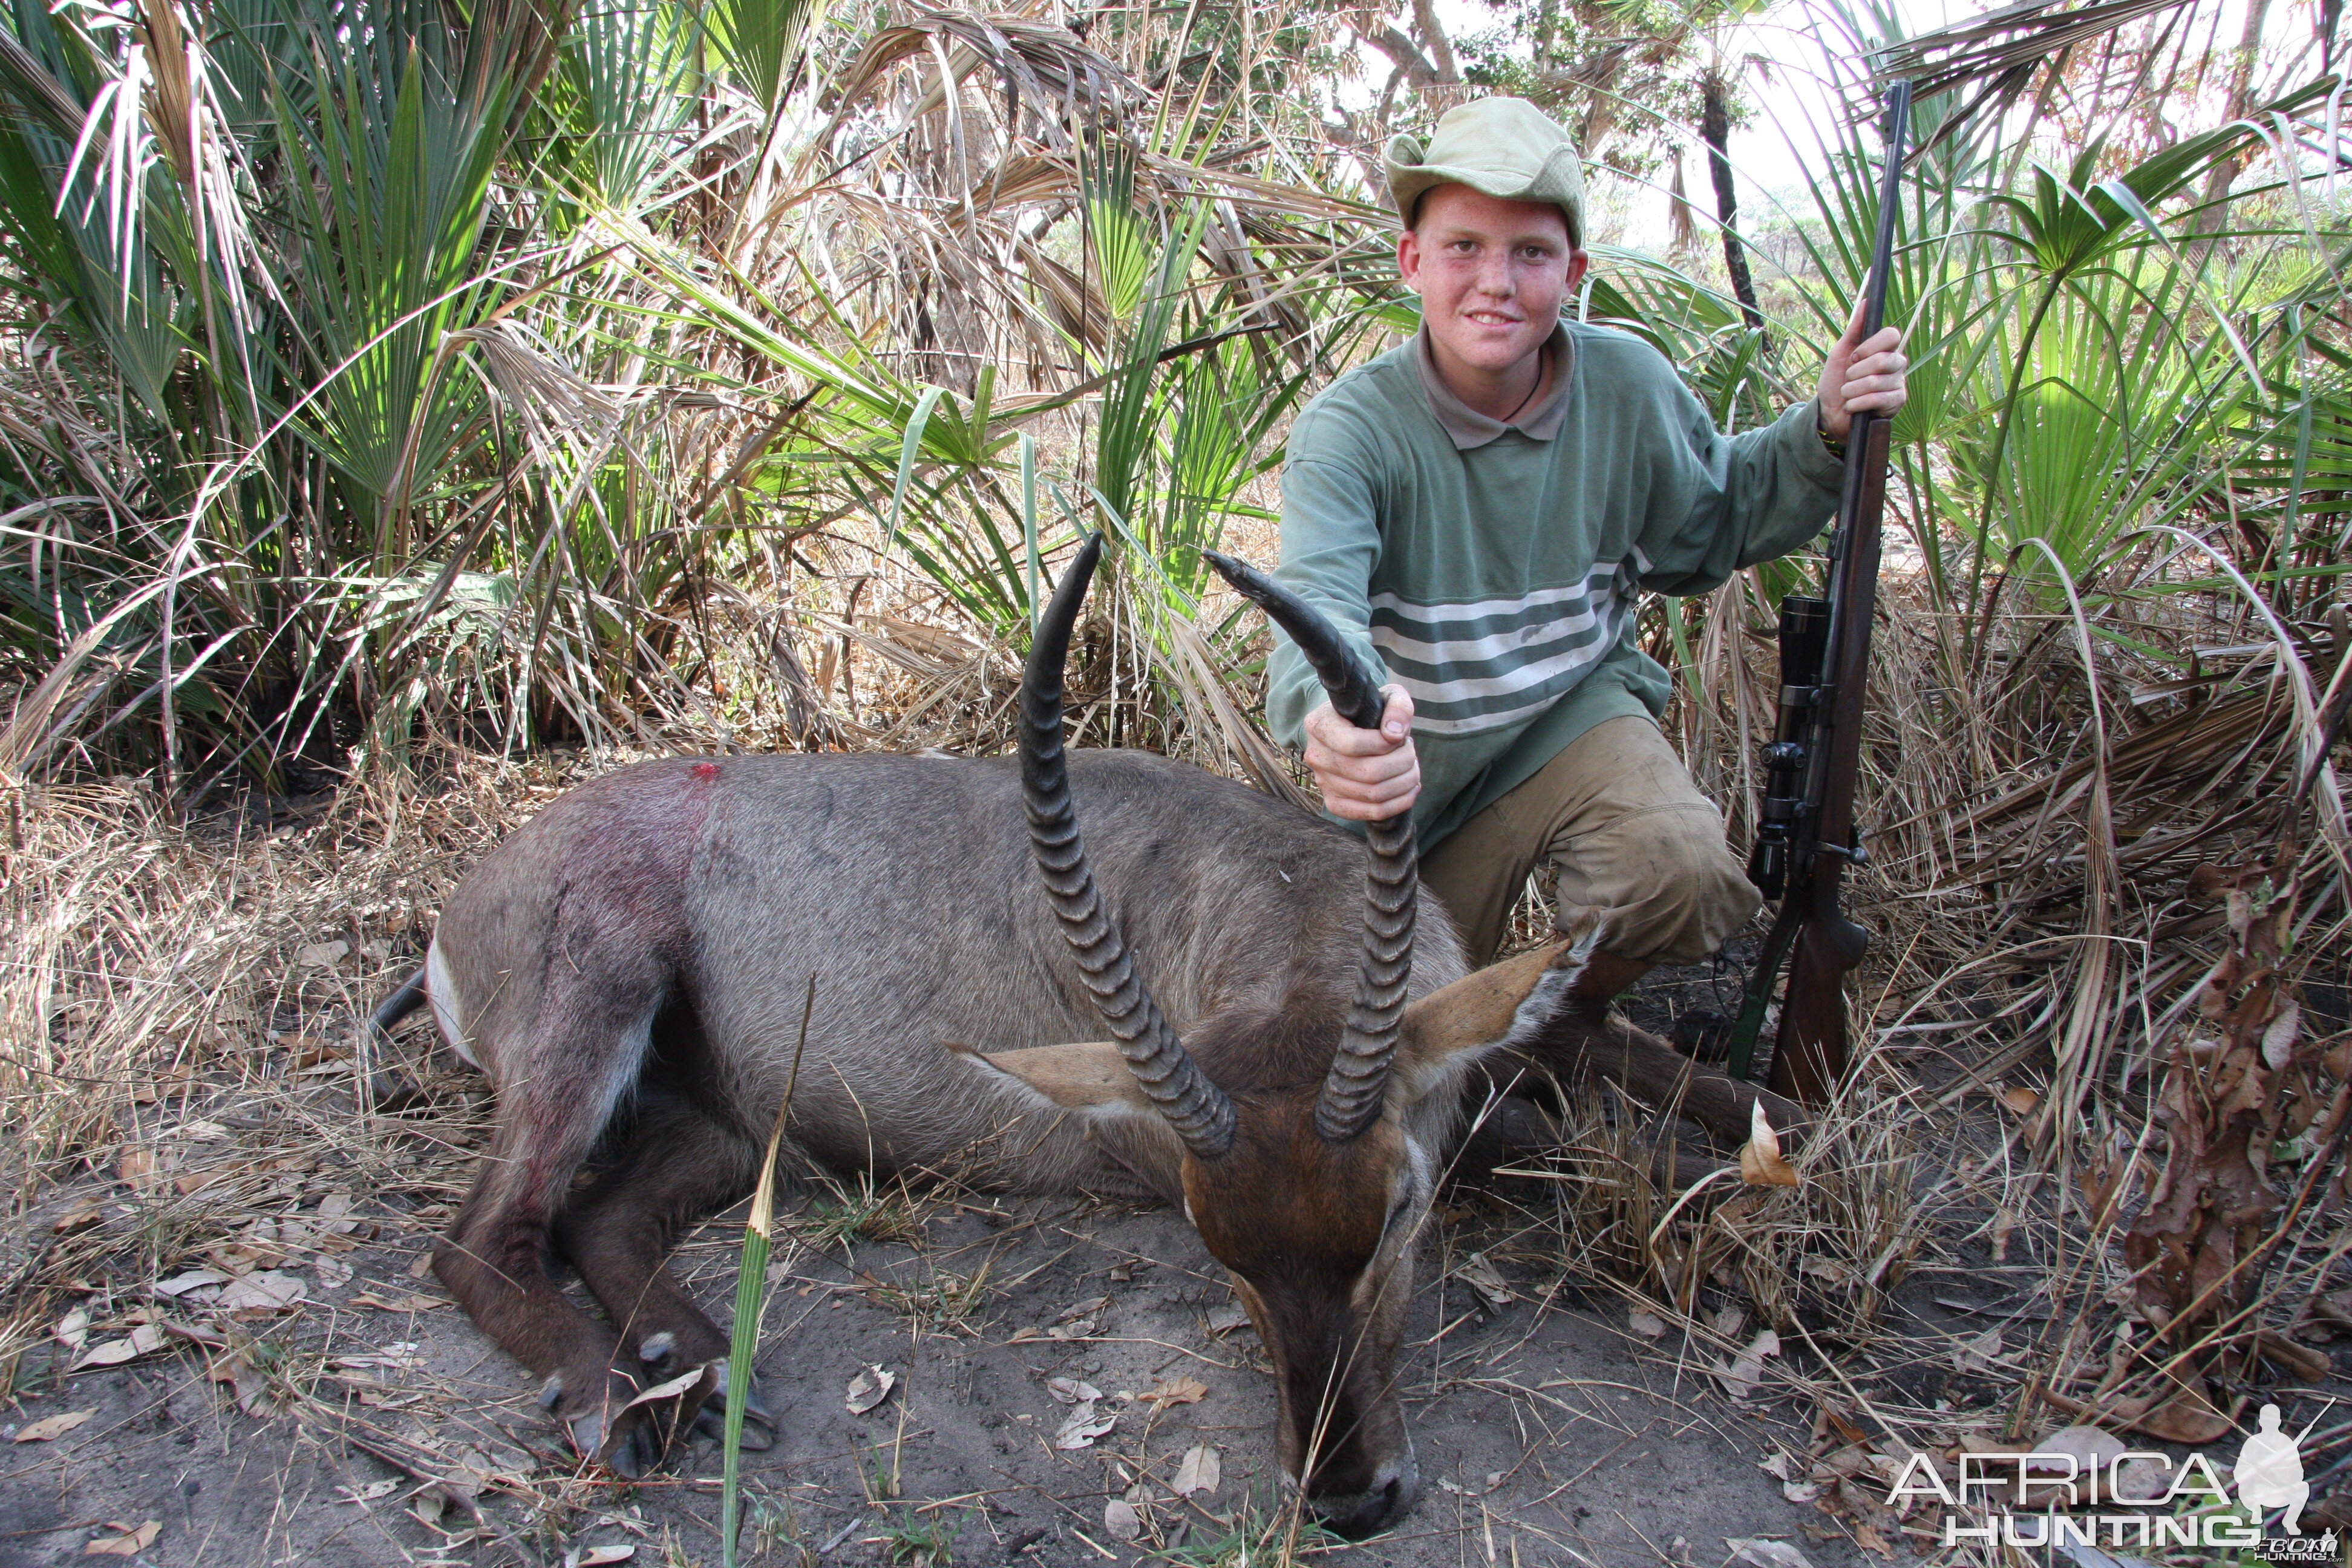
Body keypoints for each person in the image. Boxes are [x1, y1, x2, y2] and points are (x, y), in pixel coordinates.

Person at [1264, 96, 1910, 1008]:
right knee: (1369, 1022)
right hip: (1429, 775)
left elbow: (1721, 519)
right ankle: (1477, 1034)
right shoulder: (1351, 431)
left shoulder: (1629, 387)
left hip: (1574, 713)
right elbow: (1315, 607)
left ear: (1574, 270)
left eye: (1531, 253)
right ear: (1413, 260)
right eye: (1464, 247)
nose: (1497, 281)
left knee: (1682, 876)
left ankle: (1545, 1028)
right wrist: (1336, 727)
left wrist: (1826, 428)